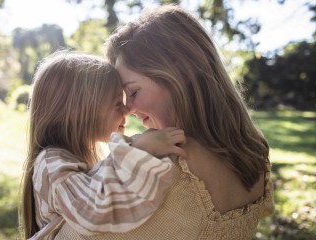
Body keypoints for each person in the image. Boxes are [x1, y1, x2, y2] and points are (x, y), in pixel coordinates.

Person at [54, 5, 274, 240]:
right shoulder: (254, 155)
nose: (128, 109)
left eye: (134, 92)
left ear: (178, 73)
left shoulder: (159, 165)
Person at [19, 51, 187, 240]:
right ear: (76, 110)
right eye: (117, 103)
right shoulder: (51, 164)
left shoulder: (72, 158)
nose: (128, 110)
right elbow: (91, 212)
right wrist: (140, 151)